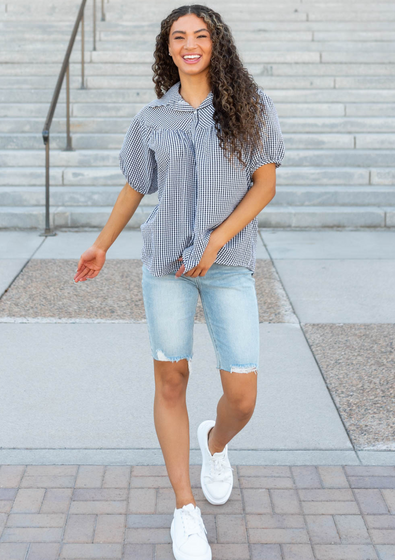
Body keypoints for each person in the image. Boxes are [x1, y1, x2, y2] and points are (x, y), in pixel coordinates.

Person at [74, 4, 285, 559]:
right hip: (165, 264)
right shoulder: (152, 118)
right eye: (178, 37)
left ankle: (214, 443)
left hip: (229, 263)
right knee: (171, 379)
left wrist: (216, 240)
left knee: (243, 395)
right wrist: (102, 243)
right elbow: (134, 187)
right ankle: (185, 509)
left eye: (200, 35)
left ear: (217, 44)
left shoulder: (250, 108)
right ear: (167, 49)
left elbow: (263, 187)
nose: (189, 44)